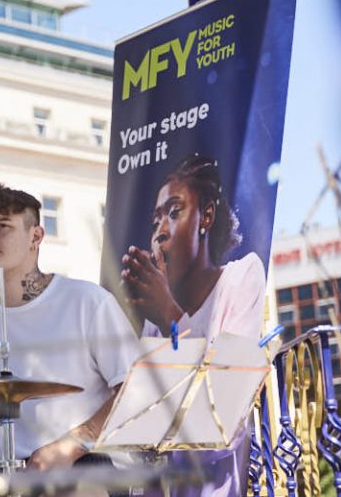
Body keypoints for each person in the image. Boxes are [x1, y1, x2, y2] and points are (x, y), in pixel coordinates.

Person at [0, 183, 142, 475]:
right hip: (3, 470)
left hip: (84, 462)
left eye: (2, 226)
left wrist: (71, 445)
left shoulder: (88, 301)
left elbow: (135, 390)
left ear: (35, 236)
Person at [120, 154, 266, 496]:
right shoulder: (154, 321)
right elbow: (139, 428)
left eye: (174, 212)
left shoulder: (241, 278)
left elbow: (221, 427)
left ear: (207, 216)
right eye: (156, 220)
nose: (160, 232)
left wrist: (171, 316)